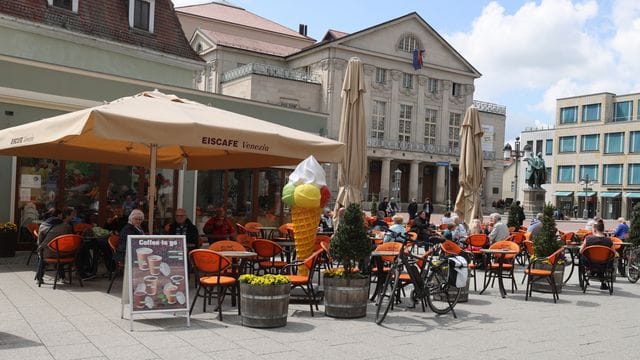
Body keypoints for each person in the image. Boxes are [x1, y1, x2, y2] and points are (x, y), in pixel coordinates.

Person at [36, 207, 76, 281]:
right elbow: (70, 239)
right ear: (59, 215)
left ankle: (39, 277)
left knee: (42, 252)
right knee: (58, 250)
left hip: (47, 254)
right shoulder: (66, 225)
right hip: (63, 253)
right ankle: (62, 277)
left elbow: (39, 242)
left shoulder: (42, 225)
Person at [580, 220, 613, 290]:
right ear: (603, 230)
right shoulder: (609, 240)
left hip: (590, 263)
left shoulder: (588, 238)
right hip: (604, 264)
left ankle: (591, 274)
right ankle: (602, 280)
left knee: (582, 257)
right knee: (606, 260)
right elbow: (614, 253)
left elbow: (581, 251)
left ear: (595, 229)